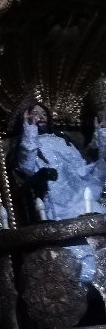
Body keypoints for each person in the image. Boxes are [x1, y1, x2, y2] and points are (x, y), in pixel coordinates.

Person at [16, 102, 106, 284]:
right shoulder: (29, 144)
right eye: (34, 113)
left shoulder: (63, 141)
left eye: (43, 113)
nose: (39, 117)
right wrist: (30, 131)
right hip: (56, 202)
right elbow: (26, 166)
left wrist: (102, 136)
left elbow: (82, 169)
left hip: (81, 195)